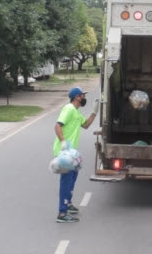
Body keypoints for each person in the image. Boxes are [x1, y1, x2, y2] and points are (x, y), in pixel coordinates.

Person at [53, 87, 99, 223]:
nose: (84, 98)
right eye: (82, 96)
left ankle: (67, 203)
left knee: (73, 175)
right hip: (64, 151)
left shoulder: (76, 113)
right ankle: (62, 213)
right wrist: (62, 142)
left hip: (72, 152)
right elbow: (57, 126)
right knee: (66, 180)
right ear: (76, 97)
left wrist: (94, 112)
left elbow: (85, 125)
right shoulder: (68, 108)